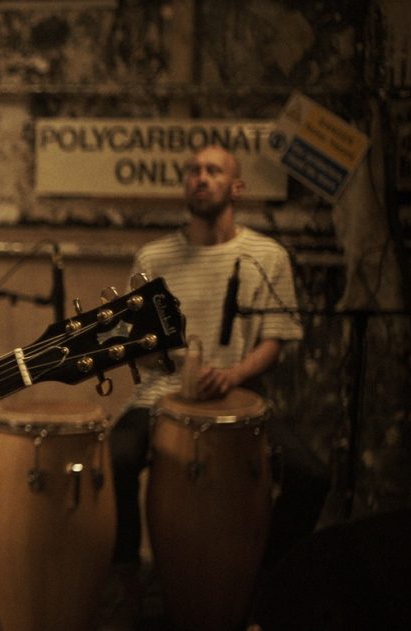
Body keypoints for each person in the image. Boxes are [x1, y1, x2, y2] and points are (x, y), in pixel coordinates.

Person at [107, 145, 315, 604]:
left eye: (213, 171)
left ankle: (267, 576)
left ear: (236, 187)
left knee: (309, 475)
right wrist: (167, 365)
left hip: (242, 398)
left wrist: (233, 374)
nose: (200, 178)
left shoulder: (267, 255)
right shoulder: (153, 257)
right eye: (193, 171)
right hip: (161, 397)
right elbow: (138, 351)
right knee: (115, 457)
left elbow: (275, 340)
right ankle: (127, 576)